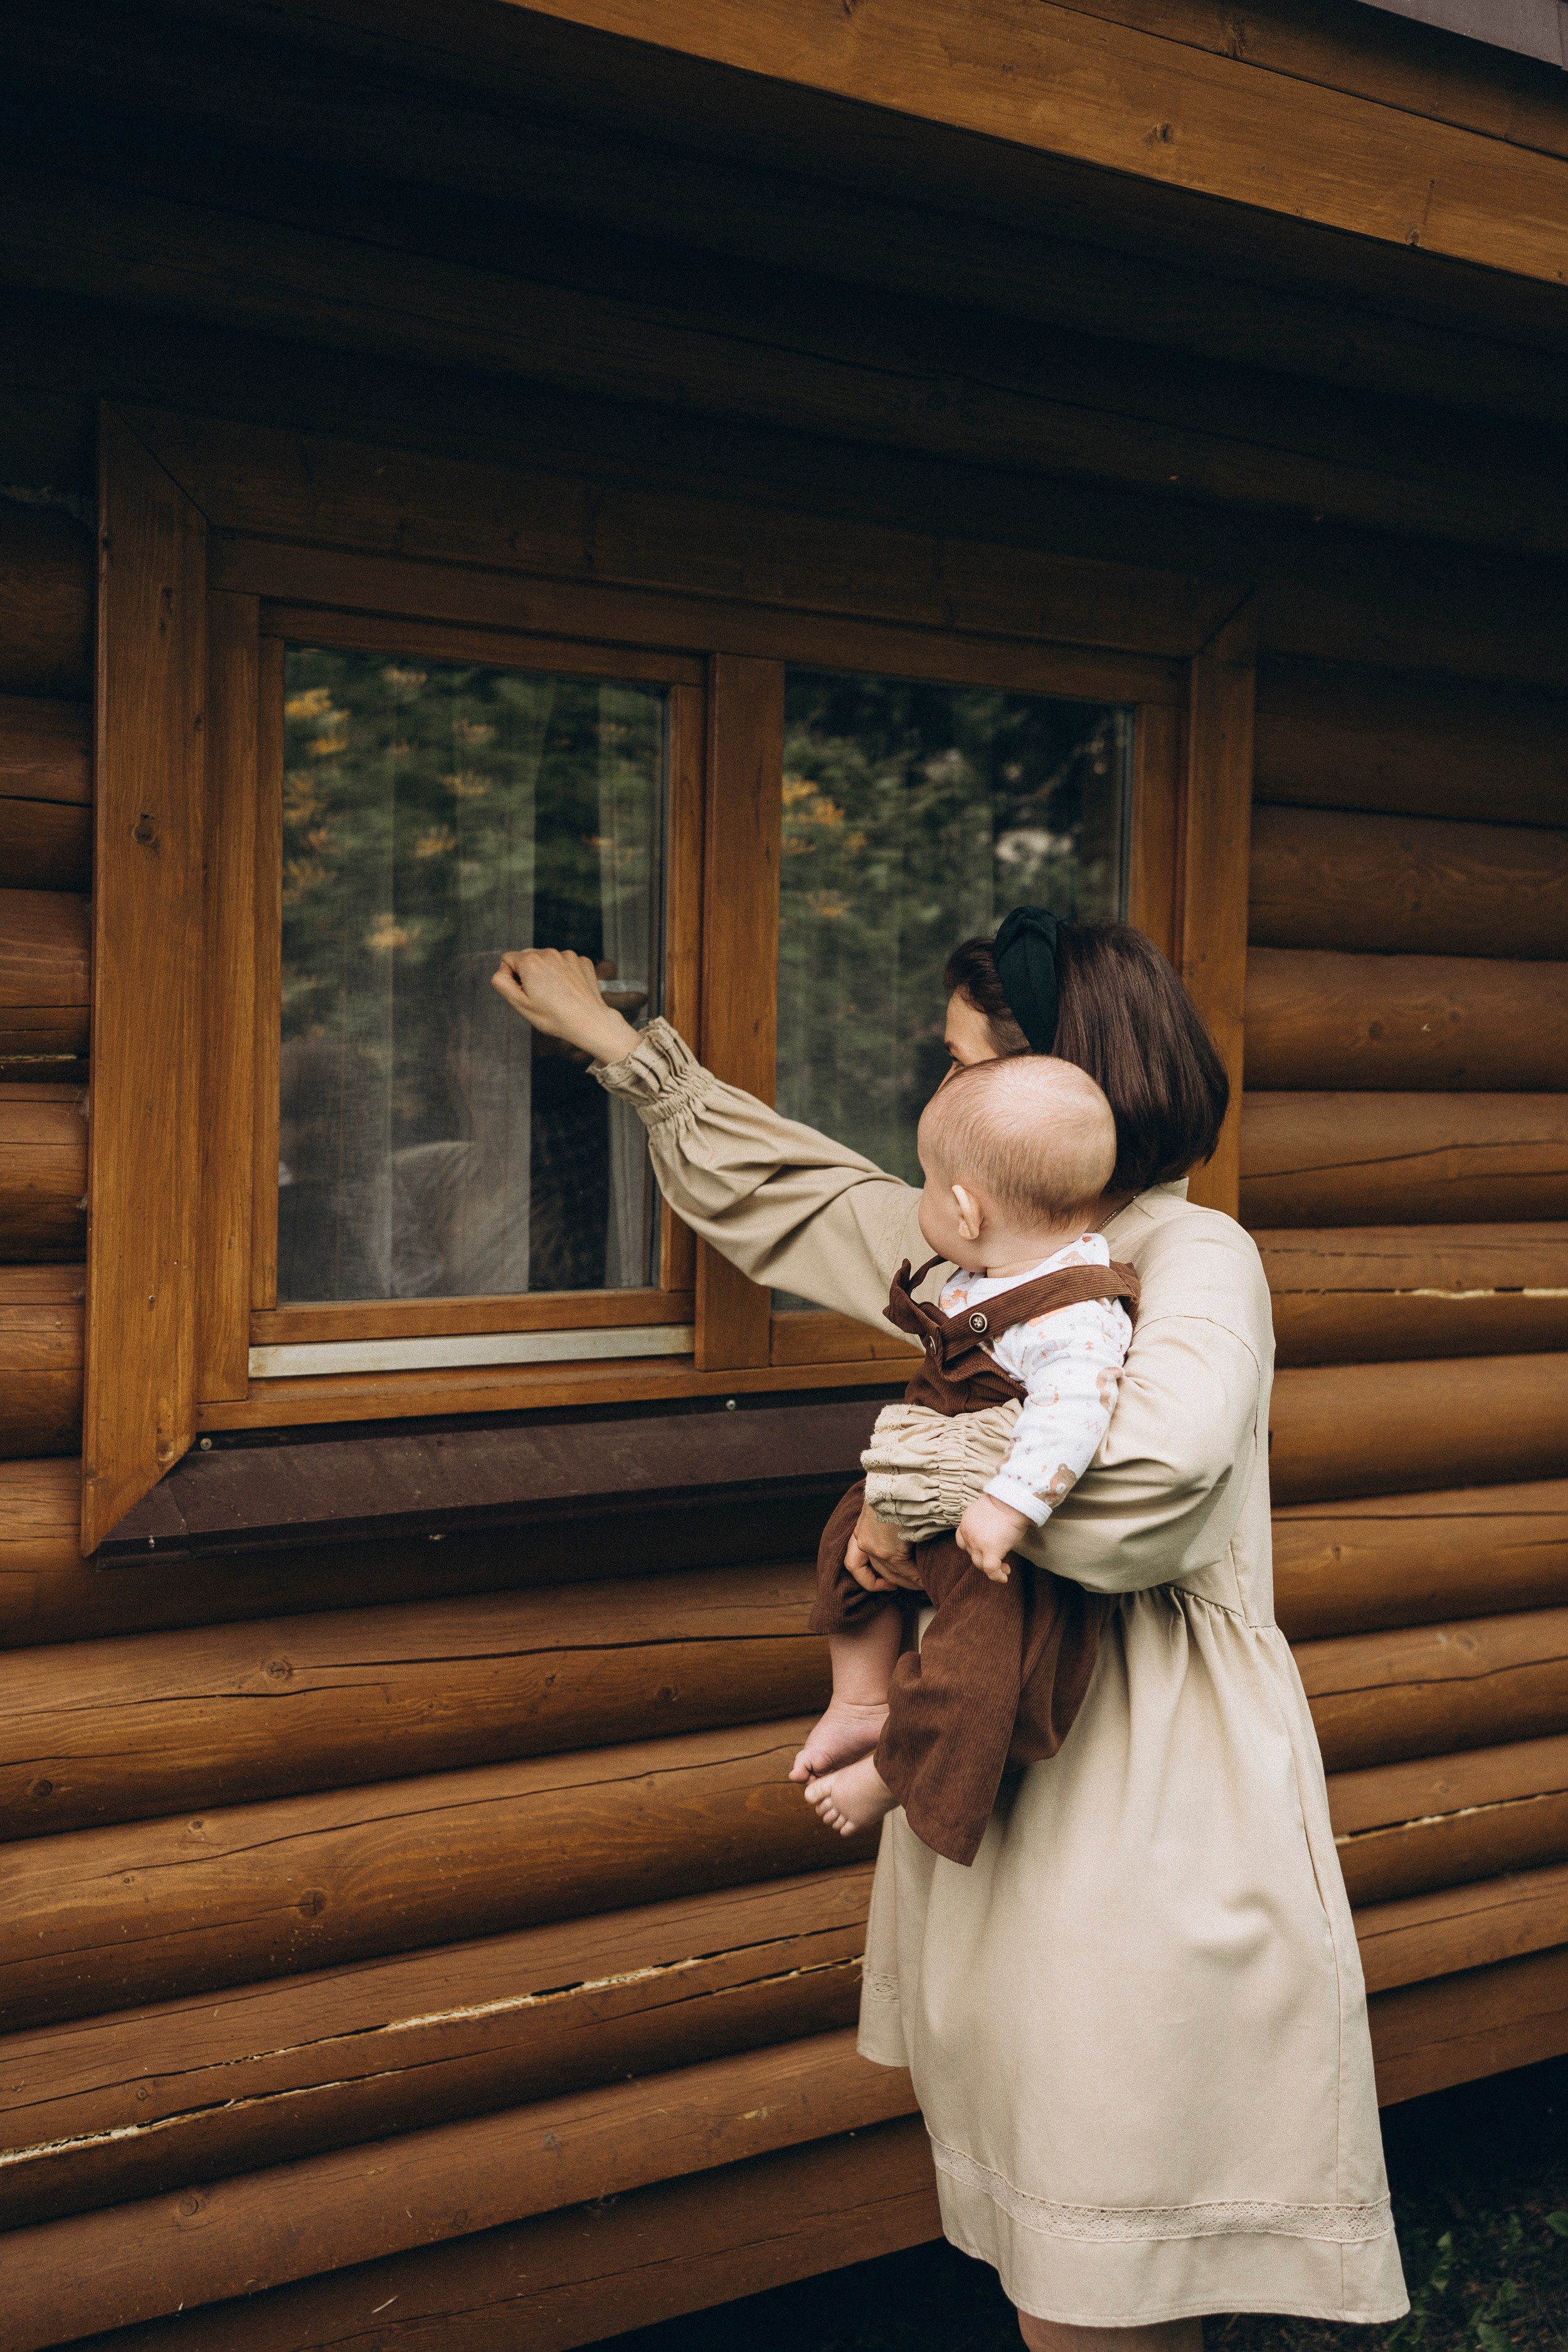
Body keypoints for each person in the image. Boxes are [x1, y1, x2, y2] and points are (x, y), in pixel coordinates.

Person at [491, 912, 1407, 2349]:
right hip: (1007, 1755)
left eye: (965, 1058)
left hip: (1141, 1784)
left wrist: (904, 1485)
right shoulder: (980, 1258)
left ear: (1061, 1091)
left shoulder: (1191, 1255)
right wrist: (628, 1054)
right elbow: (820, 1200)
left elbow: (1152, 1491)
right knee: (1050, 2224)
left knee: (1107, 2241)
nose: (940, 1081)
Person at [796, 1052, 1137, 1869]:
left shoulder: (1076, 1311)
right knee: (845, 1529)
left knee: (974, 1673)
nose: (918, 1203)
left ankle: (891, 1774)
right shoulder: (990, 1270)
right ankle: (859, 1698)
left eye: (923, 1184)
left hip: (995, 1541)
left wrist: (1010, 1503)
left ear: (964, 1207)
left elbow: (1075, 1412)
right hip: (923, 1500)